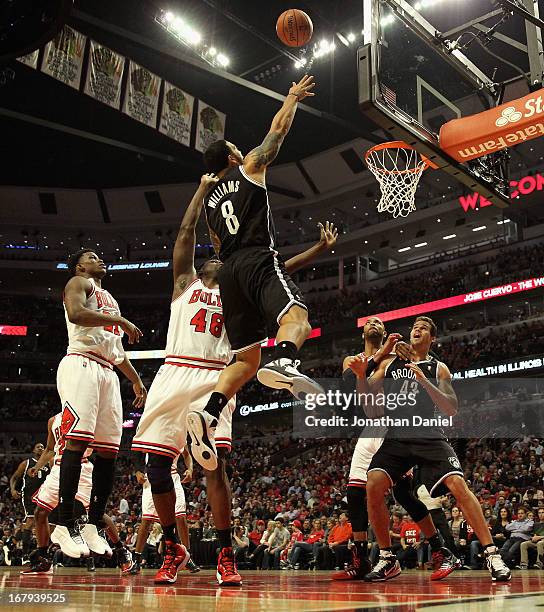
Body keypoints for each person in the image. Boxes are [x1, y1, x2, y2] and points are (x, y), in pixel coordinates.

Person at [132, 173, 336, 586]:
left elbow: (275, 269)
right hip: (174, 371)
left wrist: (316, 250)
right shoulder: (182, 284)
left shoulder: (236, 287)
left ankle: (225, 553)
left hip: (216, 376)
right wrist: (203, 190)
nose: (214, 259)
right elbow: (187, 230)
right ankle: (172, 546)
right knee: (156, 466)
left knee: (216, 467)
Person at [189, 75, 322, 474]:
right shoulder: (247, 167)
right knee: (297, 318)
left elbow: (214, 245)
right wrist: (291, 97)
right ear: (231, 157)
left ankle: (209, 412)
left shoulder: (210, 206)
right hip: (256, 256)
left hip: (228, 271)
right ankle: (284, 362)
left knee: (245, 359)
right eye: (234, 147)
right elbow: (276, 133)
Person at [359, 316, 511, 582]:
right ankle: (387, 558)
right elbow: (367, 400)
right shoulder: (391, 360)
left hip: (429, 434)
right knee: (372, 483)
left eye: (423, 328)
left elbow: (451, 408)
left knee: (457, 484)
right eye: (414, 327)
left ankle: (491, 553)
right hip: (396, 436)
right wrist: (362, 374)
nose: (416, 330)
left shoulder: (438, 367)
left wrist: (424, 381)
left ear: (432, 338)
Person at [333, 319, 458, 582]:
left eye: (379, 321)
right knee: (356, 494)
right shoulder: (353, 358)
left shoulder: (397, 353)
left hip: (396, 428)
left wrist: (403, 350)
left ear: (385, 330)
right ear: (364, 332)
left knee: (404, 494)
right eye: (370, 322)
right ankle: (361, 560)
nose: (374, 323)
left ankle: (438, 548)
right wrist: (382, 353)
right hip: (368, 428)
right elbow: (349, 387)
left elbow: (426, 362)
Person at [55, 249, 146, 557]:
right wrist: (119, 319)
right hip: (81, 363)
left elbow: (116, 350)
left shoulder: (110, 298)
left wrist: (135, 379)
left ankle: (93, 523)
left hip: (107, 371)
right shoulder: (78, 283)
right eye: (92, 257)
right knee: (77, 443)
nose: (100, 259)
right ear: (80, 265)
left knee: (108, 451)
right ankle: (64, 523)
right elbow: (76, 314)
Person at [20, 412, 133, 575]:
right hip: (58, 468)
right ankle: (43, 559)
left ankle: (122, 551)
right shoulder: (53, 420)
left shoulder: (85, 413)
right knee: (40, 512)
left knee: (97, 514)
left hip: (81, 467)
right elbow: (50, 449)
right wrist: (37, 467)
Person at [131, 452, 200, 575]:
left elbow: (187, 454)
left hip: (172, 476)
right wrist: (137, 471)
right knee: (146, 520)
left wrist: (190, 469)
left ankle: (188, 557)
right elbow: (137, 453)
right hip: (151, 477)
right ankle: (136, 560)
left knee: (181, 518)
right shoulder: (149, 433)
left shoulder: (180, 433)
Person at [9, 442, 49, 563]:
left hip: (44, 495)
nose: (41, 448)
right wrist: (13, 489)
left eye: (43, 447)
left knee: (43, 523)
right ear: (33, 450)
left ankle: (15, 543)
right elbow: (15, 477)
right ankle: (25, 554)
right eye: (38, 447)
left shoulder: (48, 463)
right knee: (31, 521)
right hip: (29, 496)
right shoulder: (26, 463)